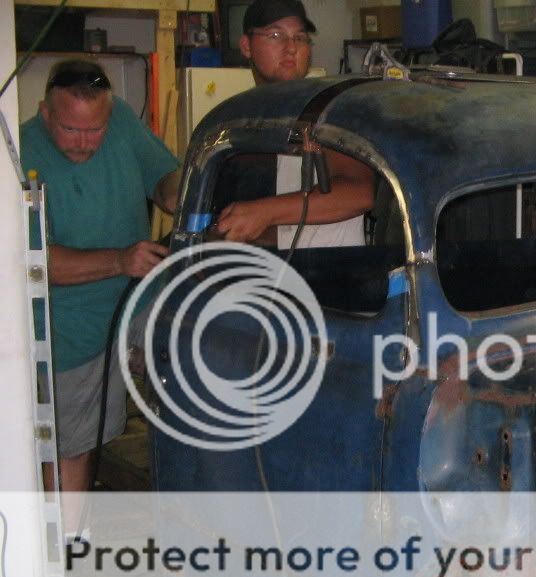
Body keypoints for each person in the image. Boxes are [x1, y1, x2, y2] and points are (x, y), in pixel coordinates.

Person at [20, 59, 179, 508]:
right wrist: (119, 260)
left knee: (196, 376)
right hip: (68, 328)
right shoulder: (21, 155)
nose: (85, 144)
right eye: (71, 130)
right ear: (45, 112)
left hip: (136, 299)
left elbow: (164, 177)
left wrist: (182, 189)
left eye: (95, 130)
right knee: (71, 446)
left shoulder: (121, 121)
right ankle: (64, 557)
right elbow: (38, 263)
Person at [214, 0, 375, 246]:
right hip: (266, 276)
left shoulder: (329, 109)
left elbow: (359, 193)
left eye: (300, 38)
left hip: (333, 275)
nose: (291, 48)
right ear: (246, 46)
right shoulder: (240, 120)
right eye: (276, 35)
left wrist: (264, 212)